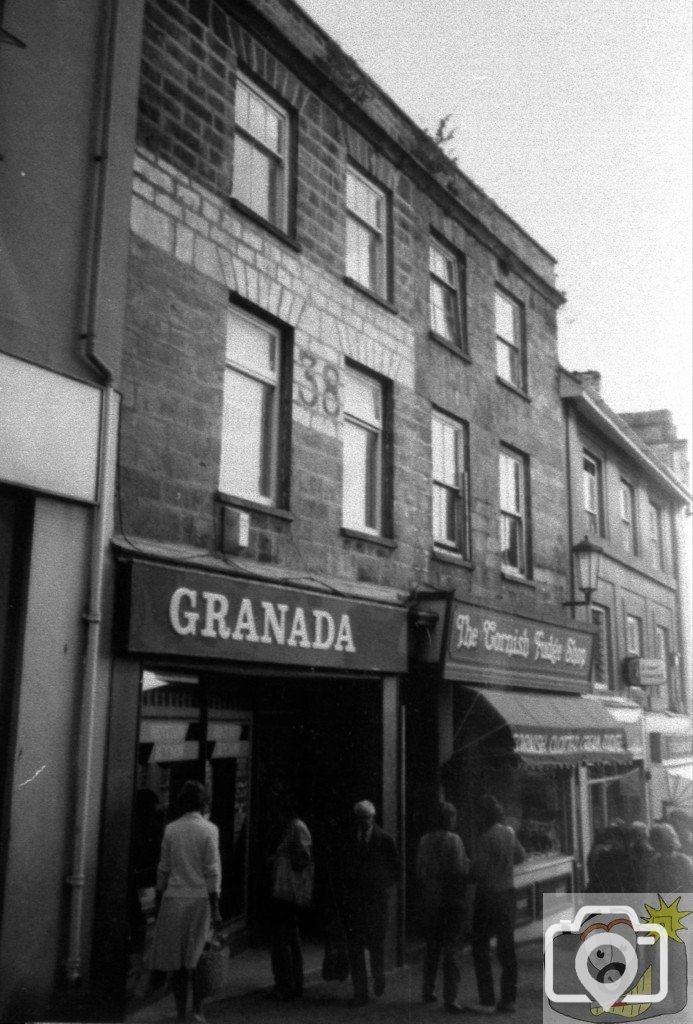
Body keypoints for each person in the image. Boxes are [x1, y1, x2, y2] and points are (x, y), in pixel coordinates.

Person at [149, 780, 222, 1024]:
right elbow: (212, 871)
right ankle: (198, 1009)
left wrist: (159, 899)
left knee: (178, 963)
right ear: (203, 804)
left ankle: (181, 1012)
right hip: (199, 900)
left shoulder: (171, 829)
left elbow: (163, 869)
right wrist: (216, 907)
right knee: (197, 958)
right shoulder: (209, 830)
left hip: (173, 900)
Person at [339, 800, 400, 1007]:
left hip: (375, 901)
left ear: (373, 818)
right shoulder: (348, 839)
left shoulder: (384, 840)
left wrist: (380, 883)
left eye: (366, 819)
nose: (363, 823)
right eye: (360, 819)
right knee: (355, 948)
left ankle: (378, 976)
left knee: (376, 946)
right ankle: (360, 992)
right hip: (355, 902)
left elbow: (396, 871)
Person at [470, 794, 526, 1015]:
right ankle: (508, 999)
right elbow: (521, 857)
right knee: (507, 948)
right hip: (508, 895)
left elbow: (478, 871)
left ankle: (487, 999)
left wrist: (470, 869)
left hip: (488, 896)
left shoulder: (486, 838)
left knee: (480, 948)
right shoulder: (509, 833)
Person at [416, 801, 470, 1014]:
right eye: (453, 817)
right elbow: (459, 868)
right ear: (448, 819)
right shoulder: (453, 840)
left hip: (430, 900)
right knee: (451, 950)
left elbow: (419, 869)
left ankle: (427, 990)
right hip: (451, 900)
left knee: (431, 948)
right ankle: (451, 997)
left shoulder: (424, 840)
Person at [267, 807, 314, 1001]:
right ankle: (291, 983)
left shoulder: (297, 827)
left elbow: (303, 858)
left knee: (285, 938)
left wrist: (280, 858)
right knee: (288, 937)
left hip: (289, 893)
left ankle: (288, 984)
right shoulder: (292, 827)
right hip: (285, 891)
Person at [586, 820, 635, 892]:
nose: (614, 842)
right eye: (611, 838)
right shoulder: (603, 860)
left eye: (617, 839)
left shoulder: (631, 862)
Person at [646, 822, 693, 891]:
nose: (653, 842)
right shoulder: (654, 862)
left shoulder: (683, 861)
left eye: (657, 839)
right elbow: (650, 888)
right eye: (652, 839)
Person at [626, 821, 654, 890]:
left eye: (639, 835)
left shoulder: (651, 852)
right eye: (634, 835)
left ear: (645, 836)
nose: (637, 838)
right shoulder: (629, 852)